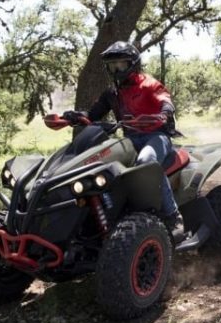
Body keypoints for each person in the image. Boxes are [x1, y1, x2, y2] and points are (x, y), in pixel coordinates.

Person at [63, 41, 184, 237]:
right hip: (128, 139)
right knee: (100, 165)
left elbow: (166, 101)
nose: (116, 69)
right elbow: (93, 114)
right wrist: (75, 116)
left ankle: (173, 216)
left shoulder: (149, 84)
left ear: (133, 64)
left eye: (121, 64)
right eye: (112, 66)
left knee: (146, 161)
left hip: (156, 137)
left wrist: (164, 114)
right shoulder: (112, 93)